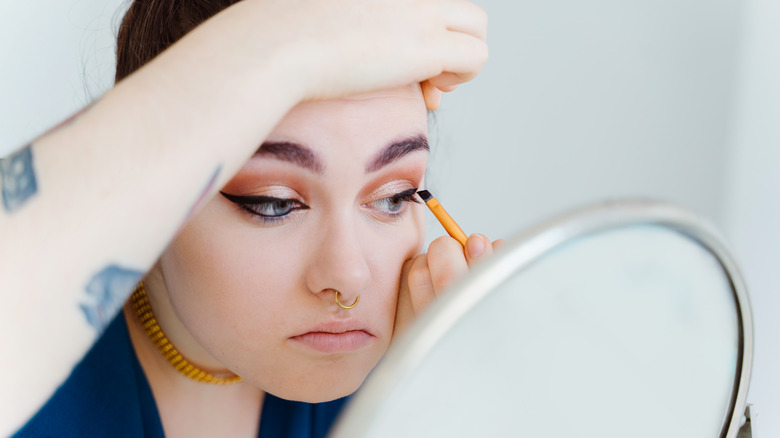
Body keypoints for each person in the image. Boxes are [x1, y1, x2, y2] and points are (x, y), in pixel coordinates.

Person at [0, 0, 494, 436]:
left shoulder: (419, 384)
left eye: (393, 197)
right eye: (274, 203)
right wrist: (269, 52)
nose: (349, 277)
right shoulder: (35, 376)